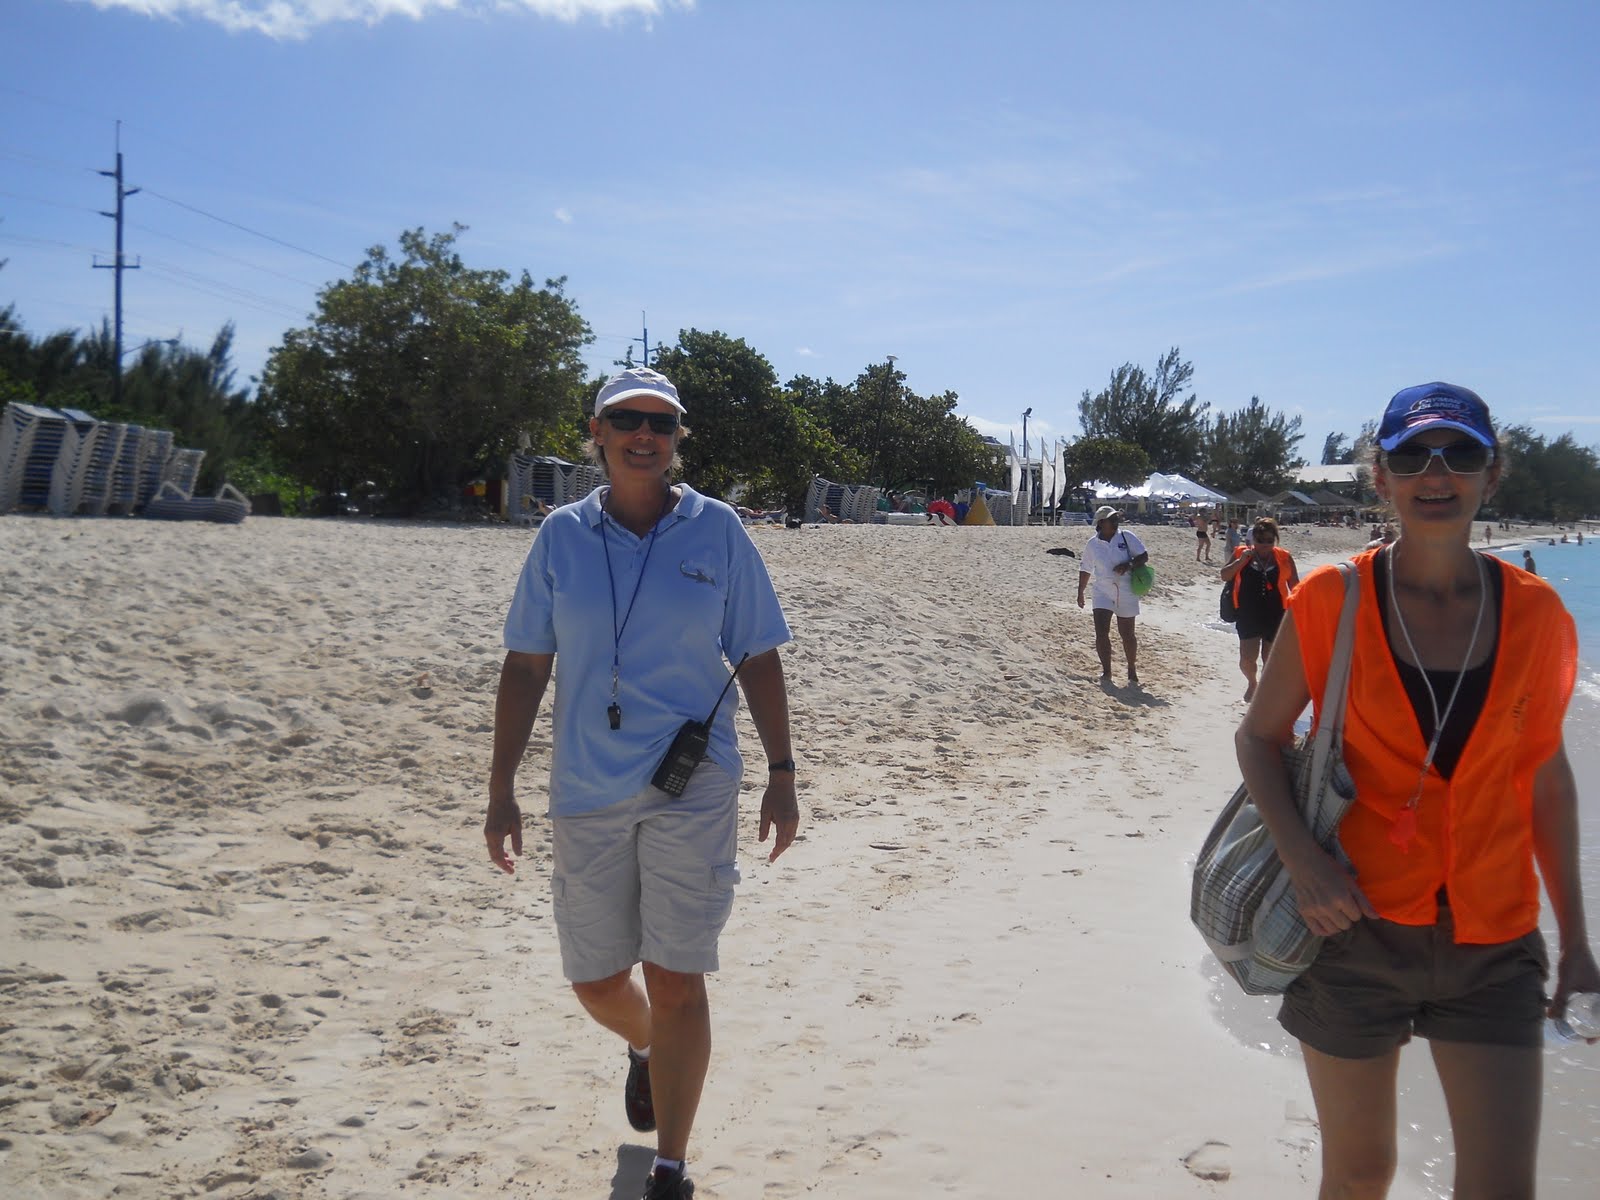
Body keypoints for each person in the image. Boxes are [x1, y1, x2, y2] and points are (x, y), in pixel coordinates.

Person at [1236, 382, 1599, 1199]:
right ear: (1382, 477)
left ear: (1491, 474)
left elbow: (1547, 776)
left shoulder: (1538, 613)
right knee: (1361, 1174)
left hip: (1494, 940)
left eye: (1461, 454)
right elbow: (1258, 737)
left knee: (1502, 1186)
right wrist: (1304, 865)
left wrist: (1576, 940)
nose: (1437, 474)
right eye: (1412, 457)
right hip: (1351, 931)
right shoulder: (1332, 598)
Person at [484, 366, 799, 1200]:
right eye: (627, 419)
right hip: (586, 785)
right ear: (597, 433)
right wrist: (501, 790)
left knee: (677, 974)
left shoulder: (717, 529)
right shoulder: (560, 536)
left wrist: (782, 773)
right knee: (594, 980)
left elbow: (758, 654)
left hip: (693, 783)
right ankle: (646, 1046)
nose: (645, 435)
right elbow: (526, 666)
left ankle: (670, 1166)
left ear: (677, 437)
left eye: (662, 422)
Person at [1219, 516, 1299, 702]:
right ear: (1252, 539)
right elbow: (1224, 575)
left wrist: (1299, 612)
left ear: (1275, 540)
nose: (1264, 545)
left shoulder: (1284, 557)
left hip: (1276, 613)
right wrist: (1241, 561)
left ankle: (1264, 688)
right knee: (1247, 659)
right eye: (1260, 540)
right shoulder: (1241, 553)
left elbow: (1296, 586)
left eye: (1269, 540)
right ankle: (1252, 682)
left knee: (1270, 658)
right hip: (1248, 613)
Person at [1077, 504, 1149, 685]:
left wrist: (1128, 565)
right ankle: (1107, 671)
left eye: (1116, 518)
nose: (1116, 522)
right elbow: (1085, 568)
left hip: (1126, 591)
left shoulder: (1126, 536)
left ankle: (1131, 668)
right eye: (1112, 519)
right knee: (1101, 632)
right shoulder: (1093, 544)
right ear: (1101, 522)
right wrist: (1080, 592)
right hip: (1102, 591)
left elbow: (1143, 556)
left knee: (1127, 634)